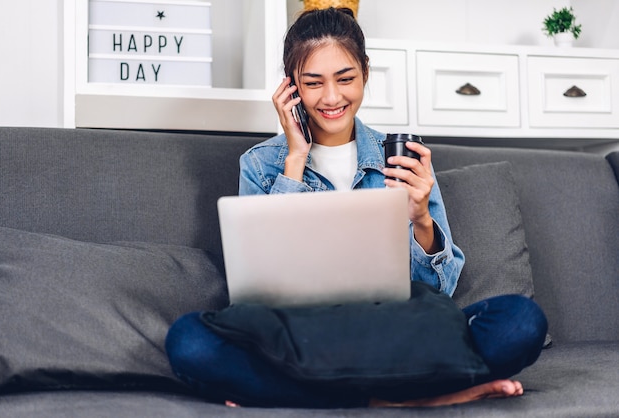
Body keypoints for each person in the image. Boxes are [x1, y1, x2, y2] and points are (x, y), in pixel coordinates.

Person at [165, 7, 547, 408]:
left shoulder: (402, 158)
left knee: (520, 321)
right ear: (290, 86)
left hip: (390, 330)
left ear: (365, 71)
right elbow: (257, 291)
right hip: (302, 336)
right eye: (313, 83)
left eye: (345, 78)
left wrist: (420, 218)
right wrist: (295, 159)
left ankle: (316, 395)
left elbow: (436, 289)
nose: (331, 98)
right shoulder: (260, 164)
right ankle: (402, 397)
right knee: (189, 341)